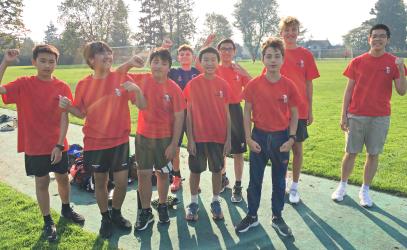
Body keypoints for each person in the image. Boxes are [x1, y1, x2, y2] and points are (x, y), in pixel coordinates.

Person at [59, 41, 146, 238]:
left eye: (109, 52)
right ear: (91, 59)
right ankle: (105, 217)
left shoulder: (122, 77)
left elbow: (141, 105)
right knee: (101, 182)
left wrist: (137, 89)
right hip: (95, 143)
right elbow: (80, 114)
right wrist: (67, 106)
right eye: (102, 53)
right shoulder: (83, 84)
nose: (108, 56)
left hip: (120, 141)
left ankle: (116, 213)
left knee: (122, 182)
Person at [0, 45, 85, 242]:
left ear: (56, 63)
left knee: (63, 178)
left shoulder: (62, 86)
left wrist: (59, 145)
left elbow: (65, 117)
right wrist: (5, 62)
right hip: (34, 144)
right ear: (34, 62)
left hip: (57, 144)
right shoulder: (24, 83)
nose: (47, 65)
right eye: (43, 61)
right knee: (42, 182)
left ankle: (65, 209)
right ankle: (48, 220)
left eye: (51, 61)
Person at [331, 24, 406, 207]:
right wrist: (343, 115)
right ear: (369, 39)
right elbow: (348, 91)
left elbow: (402, 91)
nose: (378, 39)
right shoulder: (357, 61)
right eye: (375, 36)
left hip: (380, 117)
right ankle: (342, 186)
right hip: (356, 115)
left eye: (382, 36)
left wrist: (402, 70)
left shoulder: (394, 62)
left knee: (373, 154)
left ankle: (365, 190)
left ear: (387, 39)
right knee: (351, 153)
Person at [235, 38, 300, 237]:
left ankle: (277, 216)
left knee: (279, 181)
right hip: (259, 137)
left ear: (283, 59)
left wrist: (291, 138)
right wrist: (248, 138)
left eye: (277, 56)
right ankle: (252, 216)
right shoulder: (254, 85)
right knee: (255, 180)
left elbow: (295, 113)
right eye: (269, 56)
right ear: (263, 59)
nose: (273, 60)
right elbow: (246, 113)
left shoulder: (289, 85)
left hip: (281, 138)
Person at [117, 48, 185, 230]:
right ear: (150, 64)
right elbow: (117, 74)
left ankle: (162, 205)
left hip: (165, 140)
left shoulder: (174, 89)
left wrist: (174, 144)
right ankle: (145, 211)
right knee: (143, 175)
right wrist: (130, 63)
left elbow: (180, 117)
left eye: (164, 63)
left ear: (169, 67)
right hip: (143, 137)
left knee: (163, 175)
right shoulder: (142, 80)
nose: (159, 66)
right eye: (155, 62)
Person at [262, 17, 320, 204]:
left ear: (298, 32)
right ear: (281, 32)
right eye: (287, 30)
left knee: (297, 148)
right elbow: (265, 83)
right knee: (278, 149)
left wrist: (310, 109)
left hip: (299, 111)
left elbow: (309, 84)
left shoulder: (306, 55)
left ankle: (294, 186)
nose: (290, 33)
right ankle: (281, 182)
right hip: (277, 112)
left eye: (294, 29)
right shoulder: (274, 54)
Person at [184, 47, 231, 221]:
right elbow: (188, 114)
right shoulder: (193, 84)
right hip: (198, 138)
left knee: (217, 170)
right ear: (200, 62)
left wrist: (228, 139)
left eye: (213, 59)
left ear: (217, 62)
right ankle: (194, 202)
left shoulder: (223, 85)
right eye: (206, 60)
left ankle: (215, 201)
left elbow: (227, 114)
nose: (210, 63)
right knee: (195, 171)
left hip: (218, 137)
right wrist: (190, 139)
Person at [162, 40, 200, 192]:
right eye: (182, 54)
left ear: (192, 56)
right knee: (175, 148)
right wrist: (164, 48)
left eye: (188, 54)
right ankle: (176, 177)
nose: (185, 56)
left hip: (193, 114)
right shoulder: (173, 72)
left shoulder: (197, 72)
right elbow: (161, 62)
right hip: (176, 114)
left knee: (194, 147)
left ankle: (194, 180)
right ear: (178, 57)